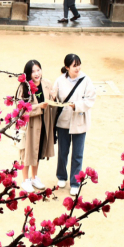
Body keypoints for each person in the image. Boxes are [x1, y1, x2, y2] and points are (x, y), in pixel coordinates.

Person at [52, 54, 96, 195]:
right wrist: (53, 96)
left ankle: (75, 182)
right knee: (62, 152)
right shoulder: (59, 80)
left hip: (79, 121)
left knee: (78, 154)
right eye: (74, 65)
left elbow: (90, 99)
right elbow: (56, 98)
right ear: (67, 67)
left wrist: (76, 105)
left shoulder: (86, 80)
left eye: (79, 64)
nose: (78, 68)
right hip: (63, 120)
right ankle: (61, 177)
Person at [17, 60, 58, 193]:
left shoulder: (46, 84)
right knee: (27, 152)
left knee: (37, 151)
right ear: (28, 73)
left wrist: (53, 97)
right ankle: (25, 180)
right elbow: (20, 109)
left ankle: (34, 178)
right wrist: (38, 107)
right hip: (29, 126)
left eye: (38, 70)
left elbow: (51, 104)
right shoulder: (24, 87)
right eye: (33, 71)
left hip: (43, 123)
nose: (36, 73)